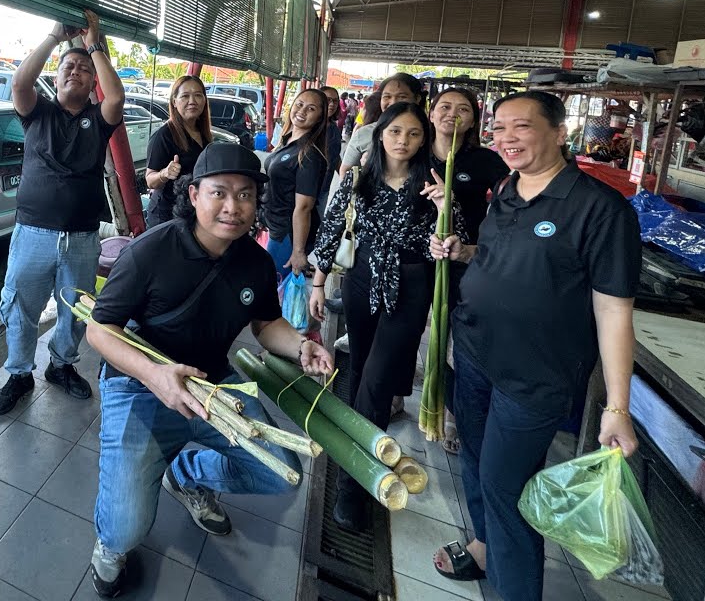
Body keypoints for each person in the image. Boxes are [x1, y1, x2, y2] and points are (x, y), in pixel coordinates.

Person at [86, 142, 335, 597]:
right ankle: (110, 544)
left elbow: (265, 324)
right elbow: (101, 331)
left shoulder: (256, 262)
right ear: (195, 193)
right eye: (219, 192)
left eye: (244, 195)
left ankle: (184, 475)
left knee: (280, 472)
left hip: (213, 385)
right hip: (141, 386)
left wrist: (300, 345)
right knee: (126, 530)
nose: (232, 207)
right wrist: (156, 376)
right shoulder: (151, 251)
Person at [429, 91, 641, 601]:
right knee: (477, 464)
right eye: (498, 129)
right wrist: (465, 251)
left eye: (520, 127)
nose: (506, 138)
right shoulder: (507, 189)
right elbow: (502, 255)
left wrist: (618, 406)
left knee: (506, 488)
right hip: (477, 354)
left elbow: (614, 310)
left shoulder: (600, 210)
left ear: (560, 132)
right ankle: (483, 548)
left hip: (535, 376)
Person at [307, 102, 459, 530]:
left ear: (424, 138)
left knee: (374, 385)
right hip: (360, 281)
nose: (403, 142)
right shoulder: (359, 178)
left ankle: (353, 487)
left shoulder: (433, 181)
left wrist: (445, 206)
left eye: (413, 134)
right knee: (358, 378)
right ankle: (359, 458)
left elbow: (455, 240)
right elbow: (332, 228)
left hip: (410, 287)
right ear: (380, 135)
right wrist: (318, 283)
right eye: (395, 133)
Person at [0, 9, 126, 415]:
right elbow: (19, 81)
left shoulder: (98, 119)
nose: (76, 72)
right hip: (32, 232)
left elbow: (116, 97)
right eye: (69, 67)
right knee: (21, 307)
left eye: (84, 70)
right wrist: (55, 37)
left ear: (92, 82)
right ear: (56, 75)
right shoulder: (38, 112)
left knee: (76, 309)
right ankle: (18, 373)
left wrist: (93, 43)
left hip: (83, 237)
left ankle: (62, 366)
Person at [427, 88, 510, 454]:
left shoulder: (485, 161)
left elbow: (512, 201)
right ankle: (408, 396)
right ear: (431, 114)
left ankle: (454, 414)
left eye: (463, 109)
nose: (453, 115)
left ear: (474, 120)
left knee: (457, 342)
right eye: (445, 107)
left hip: (463, 261)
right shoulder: (415, 152)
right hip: (417, 261)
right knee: (422, 338)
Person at [262, 87, 330, 281]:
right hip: (273, 226)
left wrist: (298, 251)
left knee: (272, 292)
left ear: (319, 118)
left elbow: (304, 207)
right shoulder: (286, 141)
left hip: (287, 234)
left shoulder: (309, 155)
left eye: (311, 109)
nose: (302, 111)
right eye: (299, 104)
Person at [145, 75, 211, 227]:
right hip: (167, 216)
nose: (192, 101)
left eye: (198, 95)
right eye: (185, 96)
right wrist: (165, 174)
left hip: (193, 212)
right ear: (174, 102)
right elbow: (150, 180)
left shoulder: (204, 133)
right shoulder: (164, 135)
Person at [340, 73, 423, 174]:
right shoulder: (364, 133)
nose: (393, 102)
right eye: (387, 97)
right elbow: (346, 171)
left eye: (402, 96)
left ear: (417, 98)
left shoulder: (431, 133)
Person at [318, 85, 345, 212]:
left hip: (324, 186)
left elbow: (334, 155)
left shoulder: (333, 128)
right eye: (327, 100)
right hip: (305, 188)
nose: (332, 104)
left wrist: (345, 177)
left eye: (335, 100)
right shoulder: (308, 127)